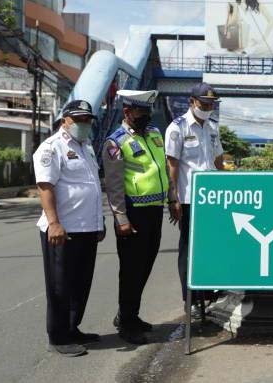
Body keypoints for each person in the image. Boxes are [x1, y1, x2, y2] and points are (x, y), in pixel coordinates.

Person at [33, 100, 104, 357]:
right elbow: (45, 186)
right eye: (80, 119)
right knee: (60, 286)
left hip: (87, 228)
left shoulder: (87, 147)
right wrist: (53, 223)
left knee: (80, 283)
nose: (85, 124)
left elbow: (91, 186)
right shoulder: (52, 148)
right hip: (62, 230)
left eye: (88, 119)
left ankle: (72, 328)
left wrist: (99, 222)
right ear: (66, 120)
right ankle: (58, 337)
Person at [102, 89, 170, 345]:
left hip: (155, 210)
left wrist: (172, 198)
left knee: (146, 266)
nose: (146, 116)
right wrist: (121, 218)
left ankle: (130, 314)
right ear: (127, 112)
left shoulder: (154, 134)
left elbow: (163, 168)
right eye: (141, 112)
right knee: (131, 270)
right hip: (133, 214)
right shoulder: (115, 142)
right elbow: (114, 185)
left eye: (147, 111)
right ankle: (127, 324)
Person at [165, 82, 224, 326]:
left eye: (211, 104)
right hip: (189, 200)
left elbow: (218, 160)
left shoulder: (212, 128)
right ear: (192, 102)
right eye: (204, 104)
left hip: (212, 200)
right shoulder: (177, 128)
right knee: (189, 250)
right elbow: (172, 165)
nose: (208, 108)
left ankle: (209, 295)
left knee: (211, 248)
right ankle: (191, 300)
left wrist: (226, 190)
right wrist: (173, 197)